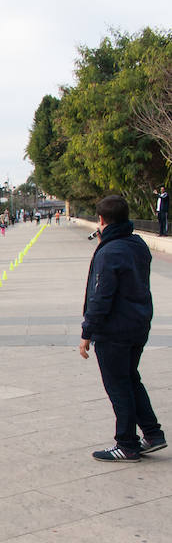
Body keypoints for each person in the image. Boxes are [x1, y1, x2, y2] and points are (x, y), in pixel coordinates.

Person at [79, 195, 164, 462]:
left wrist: (87, 332)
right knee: (130, 379)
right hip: (137, 325)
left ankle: (126, 443)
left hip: (114, 330)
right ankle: (153, 433)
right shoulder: (137, 244)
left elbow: (101, 296)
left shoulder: (109, 251)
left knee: (118, 386)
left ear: (101, 220)